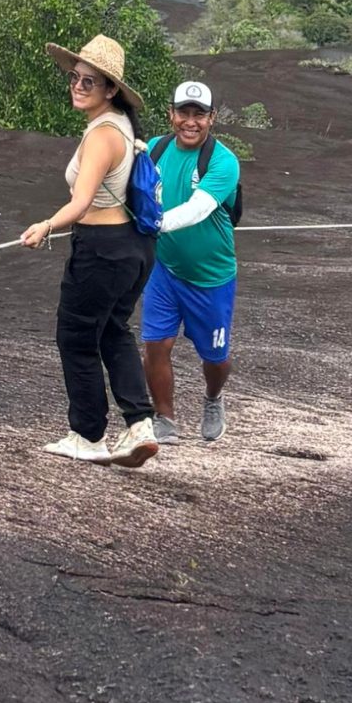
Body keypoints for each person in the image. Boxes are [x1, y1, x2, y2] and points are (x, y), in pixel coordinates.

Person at [20, 33, 159, 467]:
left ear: (111, 89)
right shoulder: (123, 125)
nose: (78, 87)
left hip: (102, 251)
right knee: (113, 331)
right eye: (75, 79)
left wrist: (46, 225)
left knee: (77, 339)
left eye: (89, 82)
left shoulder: (102, 134)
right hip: (133, 249)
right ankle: (139, 424)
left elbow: (81, 202)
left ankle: (88, 435)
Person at [140, 78, 241, 444]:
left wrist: (155, 224)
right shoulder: (153, 149)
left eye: (199, 114)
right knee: (156, 344)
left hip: (211, 275)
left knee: (215, 357)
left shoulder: (224, 161)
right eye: (184, 112)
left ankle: (213, 398)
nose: (191, 121)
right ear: (171, 114)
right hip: (164, 268)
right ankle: (164, 418)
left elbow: (200, 209)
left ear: (212, 118)